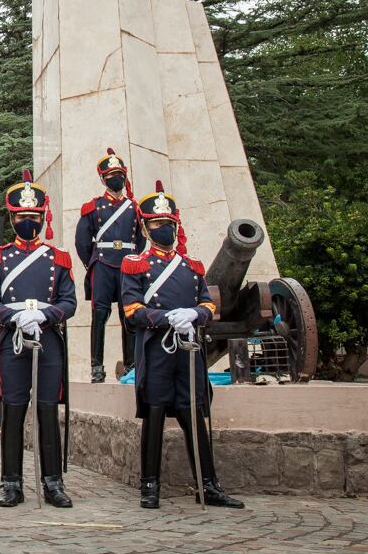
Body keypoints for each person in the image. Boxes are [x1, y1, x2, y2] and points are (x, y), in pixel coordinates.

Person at [121, 181, 244, 510]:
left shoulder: (192, 267)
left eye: (169, 224)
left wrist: (193, 313)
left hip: (189, 353)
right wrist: (166, 318)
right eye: (158, 225)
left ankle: (208, 485)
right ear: (147, 228)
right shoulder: (136, 264)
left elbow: (208, 305)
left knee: (194, 416)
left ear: (177, 226)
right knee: (156, 414)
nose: (165, 230)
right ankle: (150, 485)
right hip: (158, 350)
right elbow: (132, 310)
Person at [0, 170, 76, 507]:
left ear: (42, 217)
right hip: (13, 339)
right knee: (13, 409)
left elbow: (69, 302)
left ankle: (53, 483)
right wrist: (15, 316)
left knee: (48, 409)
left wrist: (44, 316)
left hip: (47, 339)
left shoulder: (58, 258)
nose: (28, 222)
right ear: (12, 217)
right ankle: (11, 482)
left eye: (34, 217)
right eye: (22, 216)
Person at [75, 148, 144, 383]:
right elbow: (82, 241)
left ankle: (131, 364)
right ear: (103, 178)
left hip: (126, 265)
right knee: (100, 315)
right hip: (102, 264)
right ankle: (97, 366)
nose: (117, 178)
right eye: (111, 174)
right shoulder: (93, 207)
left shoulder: (135, 208)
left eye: (120, 173)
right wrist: (92, 263)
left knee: (130, 315)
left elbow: (140, 241)